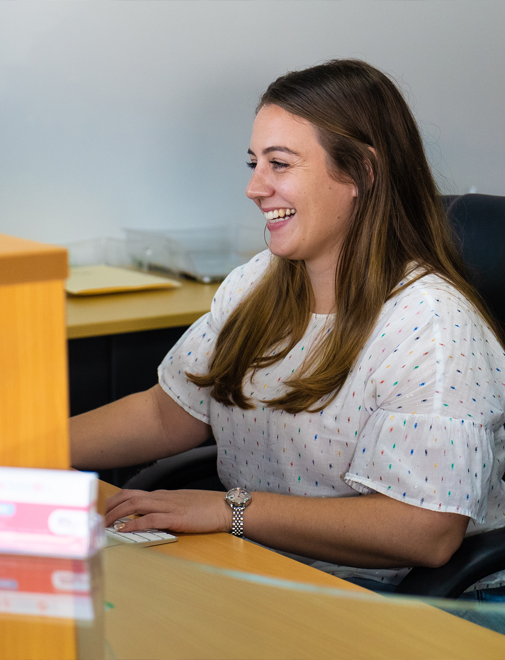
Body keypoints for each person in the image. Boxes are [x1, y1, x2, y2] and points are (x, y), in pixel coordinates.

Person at [71, 59, 505, 598]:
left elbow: (425, 532)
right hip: (270, 571)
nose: (255, 188)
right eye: (254, 163)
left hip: (406, 602)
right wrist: (17, 445)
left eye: (279, 164)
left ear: (362, 174)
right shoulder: (258, 282)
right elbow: (170, 412)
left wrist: (230, 510)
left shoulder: (431, 326)